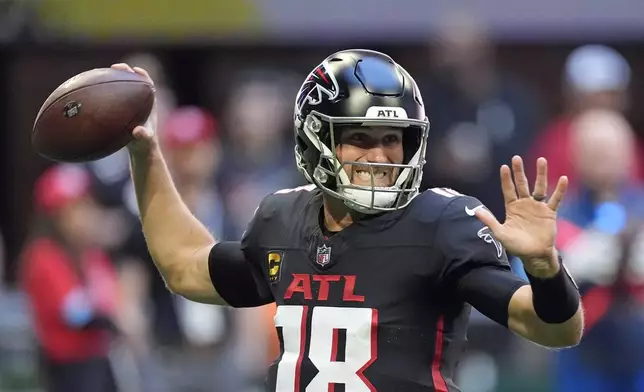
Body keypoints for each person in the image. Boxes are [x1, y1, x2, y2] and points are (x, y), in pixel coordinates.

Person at [113, 49, 583, 391]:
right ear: (316, 141)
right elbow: (183, 265)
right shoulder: (283, 219)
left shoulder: (439, 224)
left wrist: (545, 269)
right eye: (359, 137)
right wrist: (146, 152)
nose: (380, 155)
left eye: (393, 139)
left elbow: (556, 328)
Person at [19, 164, 121, 392]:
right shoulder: (42, 255)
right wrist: (111, 316)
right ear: (54, 216)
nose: (83, 216)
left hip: (98, 359)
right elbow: (75, 312)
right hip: (68, 366)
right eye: (73, 209)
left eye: (85, 205)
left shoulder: (90, 252)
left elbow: (112, 294)